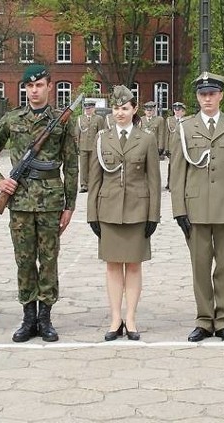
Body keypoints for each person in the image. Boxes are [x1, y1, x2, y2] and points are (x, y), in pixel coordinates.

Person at [0, 64, 79, 342]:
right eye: (29, 86)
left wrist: (70, 205)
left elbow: (71, 165)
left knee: (48, 260)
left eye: (39, 85)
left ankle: (45, 318)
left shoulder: (62, 120)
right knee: (24, 261)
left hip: (50, 201)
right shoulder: (13, 119)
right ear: (24, 89)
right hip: (20, 201)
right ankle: (28, 317)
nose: (34, 90)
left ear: (49, 86)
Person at [170, 72, 224, 342]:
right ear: (197, 96)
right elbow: (177, 173)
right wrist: (178, 210)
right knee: (200, 266)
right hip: (195, 208)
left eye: (212, 94)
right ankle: (204, 319)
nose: (207, 98)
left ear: (220, 96)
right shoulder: (184, 128)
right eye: (203, 94)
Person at [87, 86, 161, 341]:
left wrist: (154, 215)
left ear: (134, 110)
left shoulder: (147, 139)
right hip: (108, 210)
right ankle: (115, 318)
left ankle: (131, 318)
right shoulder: (102, 138)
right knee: (112, 267)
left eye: (125, 108)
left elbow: (153, 180)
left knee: (133, 267)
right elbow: (94, 180)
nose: (120, 113)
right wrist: (91, 214)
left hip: (137, 210)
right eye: (116, 108)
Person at [75, 100, 107, 193]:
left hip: (94, 146)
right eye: (86, 109)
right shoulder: (80, 118)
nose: (88, 110)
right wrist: (77, 146)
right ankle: (84, 185)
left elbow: (101, 133)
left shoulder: (99, 119)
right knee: (83, 167)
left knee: (94, 167)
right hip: (83, 146)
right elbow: (77, 133)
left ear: (94, 108)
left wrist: (101, 146)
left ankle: (93, 184)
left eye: (90, 108)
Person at [164, 102, 187, 189]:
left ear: (183, 111)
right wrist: (166, 148)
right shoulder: (169, 120)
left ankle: (181, 183)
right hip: (172, 147)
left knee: (182, 166)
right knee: (171, 166)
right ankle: (170, 183)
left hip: (182, 146)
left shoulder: (185, 120)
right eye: (175, 110)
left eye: (179, 110)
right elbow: (166, 134)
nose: (177, 112)